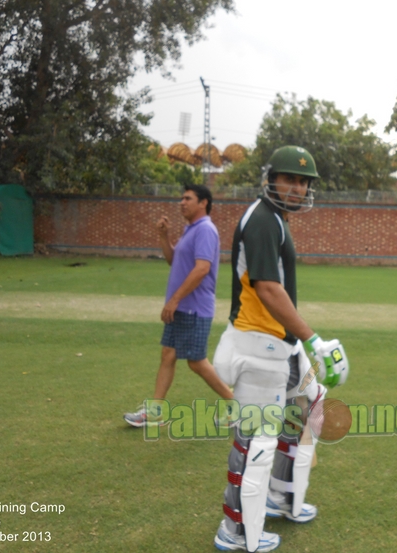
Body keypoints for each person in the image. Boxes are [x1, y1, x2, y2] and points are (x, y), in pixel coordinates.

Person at [212, 146, 349, 552]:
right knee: (256, 441)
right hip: (257, 344)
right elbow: (268, 289)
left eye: (304, 181)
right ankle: (235, 532)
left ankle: (281, 496)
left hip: (280, 343)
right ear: (271, 178)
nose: (297, 187)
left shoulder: (276, 219)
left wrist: (301, 342)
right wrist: (312, 337)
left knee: (310, 403)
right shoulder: (262, 220)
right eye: (289, 178)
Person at [124, 184, 232, 427]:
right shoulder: (190, 229)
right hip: (182, 307)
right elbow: (173, 261)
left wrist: (174, 299)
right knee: (168, 354)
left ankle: (235, 403)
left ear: (203, 202)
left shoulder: (205, 229)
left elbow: (202, 269)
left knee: (196, 361)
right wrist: (164, 237)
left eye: (187, 198)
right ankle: (154, 411)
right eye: (181, 198)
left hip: (194, 307)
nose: (181, 202)